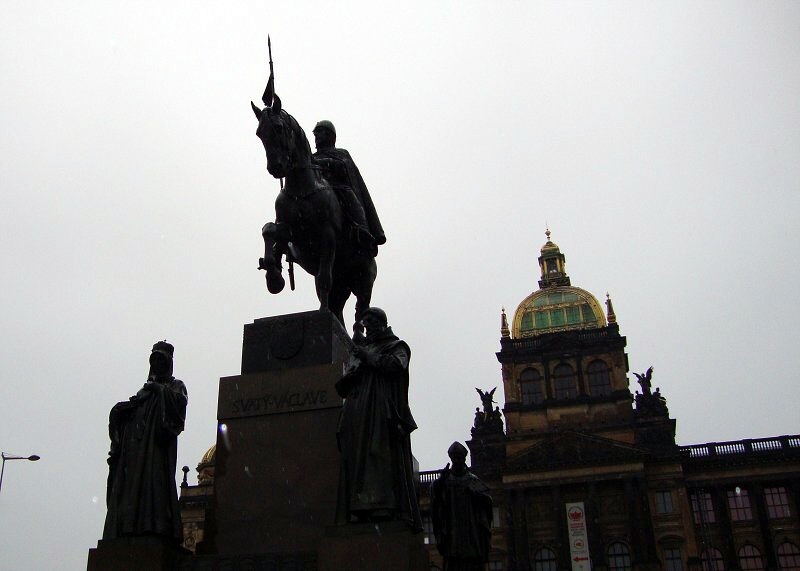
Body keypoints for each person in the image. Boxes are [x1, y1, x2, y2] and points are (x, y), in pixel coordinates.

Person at [334, 307, 421, 530]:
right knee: (358, 457)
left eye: (371, 324)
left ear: (382, 324)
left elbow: (395, 366)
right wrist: (351, 373)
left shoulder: (397, 346)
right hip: (358, 410)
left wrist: (368, 357)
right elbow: (343, 385)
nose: (368, 329)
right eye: (365, 325)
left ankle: (381, 506)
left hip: (380, 410)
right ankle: (358, 507)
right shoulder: (361, 350)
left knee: (378, 454)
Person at [103, 341, 188, 542]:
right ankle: (129, 526)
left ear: (169, 362)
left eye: (161, 360)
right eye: (154, 360)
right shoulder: (144, 390)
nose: (157, 364)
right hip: (135, 447)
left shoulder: (175, 386)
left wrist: (159, 389)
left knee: (155, 486)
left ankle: (154, 526)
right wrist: (121, 411)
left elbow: (178, 408)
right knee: (132, 487)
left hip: (156, 448)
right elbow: (133, 411)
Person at [312, 120, 386, 254]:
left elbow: (343, 167)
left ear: (330, 135)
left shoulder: (341, 153)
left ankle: (362, 229)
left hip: (338, 188)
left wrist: (326, 162)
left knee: (350, 196)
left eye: (319, 132)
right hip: (317, 190)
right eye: (315, 133)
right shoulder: (311, 157)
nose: (316, 136)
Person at [431, 442, 494, 571]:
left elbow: (488, 501)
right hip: (452, 528)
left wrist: (478, 496)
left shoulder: (472, 479)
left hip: (471, 529)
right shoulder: (446, 480)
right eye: (455, 459)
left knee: (471, 558)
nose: (457, 461)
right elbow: (436, 500)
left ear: (464, 459)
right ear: (451, 459)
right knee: (453, 558)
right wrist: (440, 481)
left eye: (460, 458)